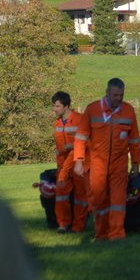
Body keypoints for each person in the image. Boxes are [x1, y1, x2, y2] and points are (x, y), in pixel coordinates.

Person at [73, 78, 140, 241]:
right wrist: (79, 160)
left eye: (122, 95)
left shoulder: (128, 110)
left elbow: (134, 139)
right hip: (98, 164)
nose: (119, 98)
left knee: (118, 200)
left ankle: (117, 234)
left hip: (120, 164)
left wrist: (136, 163)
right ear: (107, 93)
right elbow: (80, 137)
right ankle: (102, 233)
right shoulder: (92, 109)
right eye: (116, 95)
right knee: (98, 200)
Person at [51, 91, 89, 233]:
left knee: (81, 196)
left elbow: (86, 141)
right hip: (62, 166)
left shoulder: (80, 120)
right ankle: (63, 224)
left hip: (78, 164)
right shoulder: (57, 123)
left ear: (66, 106)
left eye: (57, 106)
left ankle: (78, 226)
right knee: (61, 195)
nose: (54, 109)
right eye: (54, 106)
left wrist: (71, 146)